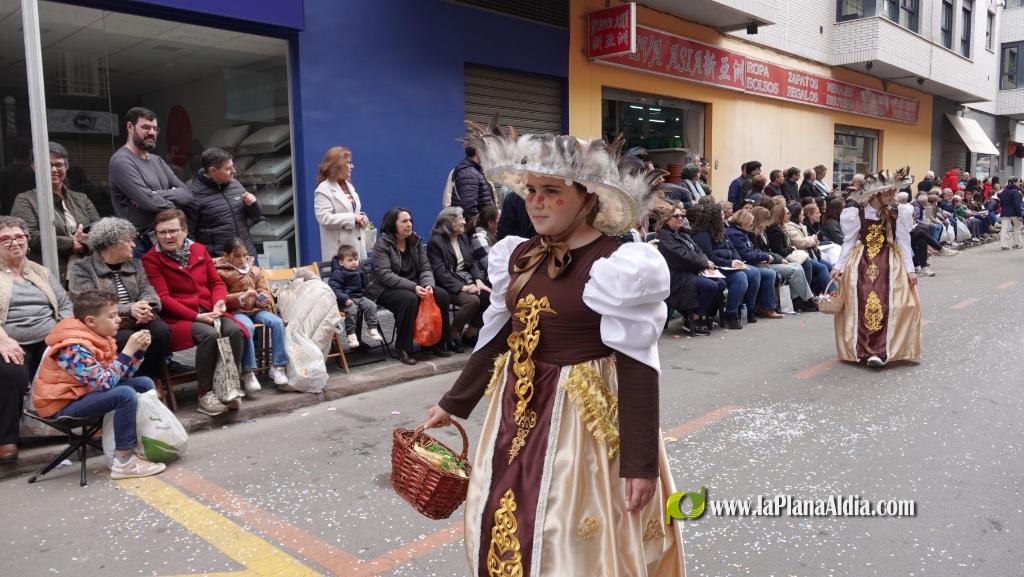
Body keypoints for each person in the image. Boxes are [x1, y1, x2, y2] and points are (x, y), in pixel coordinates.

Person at [421, 123, 684, 577]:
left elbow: (639, 366)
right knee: (506, 510)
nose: (536, 201)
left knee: (564, 531)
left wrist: (640, 465)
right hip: (519, 406)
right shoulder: (519, 254)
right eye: (531, 191)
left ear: (588, 197)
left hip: (580, 425)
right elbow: (502, 337)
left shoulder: (616, 265)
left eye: (551, 191)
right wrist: (453, 403)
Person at [30, 290, 165, 479]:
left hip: (82, 393)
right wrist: (128, 351)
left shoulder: (99, 336)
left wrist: (138, 353)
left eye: (117, 314)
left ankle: (146, 442)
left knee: (143, 383)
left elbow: (119, 375)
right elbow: (105, 383)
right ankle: (124, 461)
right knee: (124, 394)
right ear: (91, 321)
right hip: (61, 405)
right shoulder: (73, 347)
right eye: (112, 316)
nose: (118, 320)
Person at [142, 209, 245, 416]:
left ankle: (227, 387)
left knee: (234, 331)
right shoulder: (151, 259)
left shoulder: (199, 250)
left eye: (173, 231)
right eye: (162, 232)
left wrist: (218, 303)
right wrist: (196, 316)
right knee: (208, 335)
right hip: (178, 318)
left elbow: (215, 282)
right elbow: (164, 298)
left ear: (185, 231)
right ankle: (204, 393)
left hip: (210, 309)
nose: (168, 236)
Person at [0, 216, 73, 463]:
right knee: (11, 372)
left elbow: (64, 304)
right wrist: (4, 340)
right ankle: (7, 439)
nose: (13, 242)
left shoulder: (41, 272)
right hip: (9, 339)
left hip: (49, 337)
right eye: (5, 238)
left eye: (19, 237)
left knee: (74, 358)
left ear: (27, 241)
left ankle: (76, 422)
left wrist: (65, 332)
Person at [832, 168, 921, 368]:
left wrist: (910, 270)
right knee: (861, 306)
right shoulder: (856, 214)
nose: (893, 196)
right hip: (862, 265)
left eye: (893, 192)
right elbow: (849, 242)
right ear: (876, 195)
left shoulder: (899, 213)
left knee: (895, 305)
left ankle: (883, 349)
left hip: (890, 264)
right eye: (888, 193)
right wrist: (839, 266)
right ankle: (864, 350)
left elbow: (904, 242)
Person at [68, 217, 170, 380]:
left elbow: (147, 289)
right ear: (110, 244)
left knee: (160, 331)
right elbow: (89, 303)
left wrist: (146, 306)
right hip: (106, 325)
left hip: (140, 319)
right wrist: (130, 308)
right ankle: (133, 380)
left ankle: (150, 378)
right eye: (128, 241)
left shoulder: (135, 264)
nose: (133, 245)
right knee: (126, 338)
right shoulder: (82, 269)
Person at [366, 207, 452, 365]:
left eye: (410, 221)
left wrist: (428, 285)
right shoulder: (382, 245)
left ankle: (435, 343)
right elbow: (385, 275)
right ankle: (403, 349)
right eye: (404, 221)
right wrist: (414, 287)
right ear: (393, 224)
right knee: (409, 300)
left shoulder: (415, 241)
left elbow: (425, 267)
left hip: (415, 285)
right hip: (386, 288)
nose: (409, 224)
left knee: (441, 295)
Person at [108, 107, 192, 258]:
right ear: (130, 127)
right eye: (146, 127)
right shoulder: (121, 161)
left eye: (155, 128)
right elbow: (151, 203)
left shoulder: (157, 160)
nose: (152, 133)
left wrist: (156, 194)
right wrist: (174, 203)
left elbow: (186, 193)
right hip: (140, 245)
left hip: (166, 240)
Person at [11, 142, 100, 281]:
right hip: (50, 274)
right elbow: (29, 236)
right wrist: (71, 244)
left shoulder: (82, 199)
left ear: (66, 167)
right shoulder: (25, 200)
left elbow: (99, 230)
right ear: (35, 167)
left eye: (59, 164)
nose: (53, 169)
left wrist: (83, 245)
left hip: (89, 273)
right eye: (47, 164)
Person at [214, 238, 290, 390]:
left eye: (245, 255)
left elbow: (263, 289)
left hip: (256, 309)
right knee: (247, 327)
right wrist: (242, 297)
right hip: (236, 311)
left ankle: (278, 366)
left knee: (277, 322)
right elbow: (221, 297)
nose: (242, 260)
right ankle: (248, 371)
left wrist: (264, 299)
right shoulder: (220, 272)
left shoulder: (254, 269)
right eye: (237, 256)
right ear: (226, 255)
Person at [427, 206, 489, 352]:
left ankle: (470, 333)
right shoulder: (436, 243)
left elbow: (472, 262)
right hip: (447, 285)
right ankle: (453, 334)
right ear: (450, 222)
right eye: (460, 218)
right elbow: (440, 272)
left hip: (466, 279)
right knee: (472, 300)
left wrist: (479, 281)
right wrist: (464, 288)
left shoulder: (463, 238)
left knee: (489, 295)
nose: (464, 221)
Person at [657, 203, 723, 335]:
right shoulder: (665, 237)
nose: (680, 218)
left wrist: (707, 262)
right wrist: (704, 263)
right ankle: (693, 318)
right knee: (710, 286)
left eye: (682, 215)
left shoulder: (682, 233)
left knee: (721, 283)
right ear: (666, 219)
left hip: (691, 271)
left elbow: (698, 250)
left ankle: (704, 315)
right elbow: (682, 257)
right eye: (676, 216)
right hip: (677, 275)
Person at [185, 148, 262, 258]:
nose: (234, 171)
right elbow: (188, 234)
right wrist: (201, 259)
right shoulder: (194, 194)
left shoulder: (235, 184)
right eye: (228, 168)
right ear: (213, 171)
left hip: (247, 256)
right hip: (218, 261)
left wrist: (253, 204)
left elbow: (256, 216)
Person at [691, 203, 755, 329]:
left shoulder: (721, 231)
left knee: (751, 273)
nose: (724, 217)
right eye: (721, 215)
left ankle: (746, 310)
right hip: (714, 269)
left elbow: (732, 248)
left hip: (727, 267)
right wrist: (729, 263)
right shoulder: (702, 235)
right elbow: (710, 258)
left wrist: (737, 260)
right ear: (713, 218)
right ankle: (731, 314)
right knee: (741, 277)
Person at [749, 206, 817, 312]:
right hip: (763, 262)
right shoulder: (754, 233)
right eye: (767, 218)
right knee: (795, 269)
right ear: (760, 219)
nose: (769, 220)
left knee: (798, 266)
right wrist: (779, 259)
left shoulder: (763, 232)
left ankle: (800, 299)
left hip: (769, 260)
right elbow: (763, 252)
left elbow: (768, 251)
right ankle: (806, 299)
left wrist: (778, 258)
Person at [315, 146, 370, 262]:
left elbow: (350, 211)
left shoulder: (349, 186)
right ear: (337, 165)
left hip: (356, 251)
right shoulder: (323, 189)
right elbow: (324, 218)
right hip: (339, 255)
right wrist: (353, 217)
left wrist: (361, 217)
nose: (352, 167)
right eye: (349, 163)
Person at [724, 210, 783, 319]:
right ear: (744, 222)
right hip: (742, 263)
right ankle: (755, 307)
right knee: (767, 274)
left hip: (747, 262)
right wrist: (765, 257)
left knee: (769, 273)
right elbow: (746, 254)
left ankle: (763, 306)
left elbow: (751, 251)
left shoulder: (741, 232)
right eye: (750, 222)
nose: (752, 224)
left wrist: (762, 257)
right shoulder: (735, 234)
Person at [328, 244, 383, 348]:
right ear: (341, 262)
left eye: (356, 259)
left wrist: (368, 296)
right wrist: (344, 299)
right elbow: (334, 288)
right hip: (345, 300)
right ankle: (350, 334)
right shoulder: (338, 273)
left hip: (360, 297)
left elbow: (365, 286)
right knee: (352, 310)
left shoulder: (359, 270)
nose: (354, 262)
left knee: (371, 306)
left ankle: (372, 328)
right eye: (350, 260)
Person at [452, 146, 495, 230]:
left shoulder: (475, 171)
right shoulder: (469, 173)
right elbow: (469, 207)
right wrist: (481, 227)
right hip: (474, 230)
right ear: (477, 151)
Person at [0, 138, 35, 215]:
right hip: (31, 213)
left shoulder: (5, 173)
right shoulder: (34, 173)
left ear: (11, 153)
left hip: (9, 215)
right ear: (30, 154)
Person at [469, 205, 500, 275]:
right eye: (499, 221)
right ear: (490, 223)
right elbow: (490, 264)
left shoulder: (494, 234)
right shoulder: (479, 238)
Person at [998, 177, 1023, 249]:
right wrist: (1019, 215)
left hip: (1005, 212)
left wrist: (1004, 208)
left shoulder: (1004, 191)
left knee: (1004, 228)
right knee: (1017, 227)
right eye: (1018, 182)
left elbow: (1001, 202)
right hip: (1014, 213)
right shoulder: (1015, 191)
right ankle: (1016, 243)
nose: (1019, 183)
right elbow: (1016, 204)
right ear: (1014, 183)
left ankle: (1003, 245)